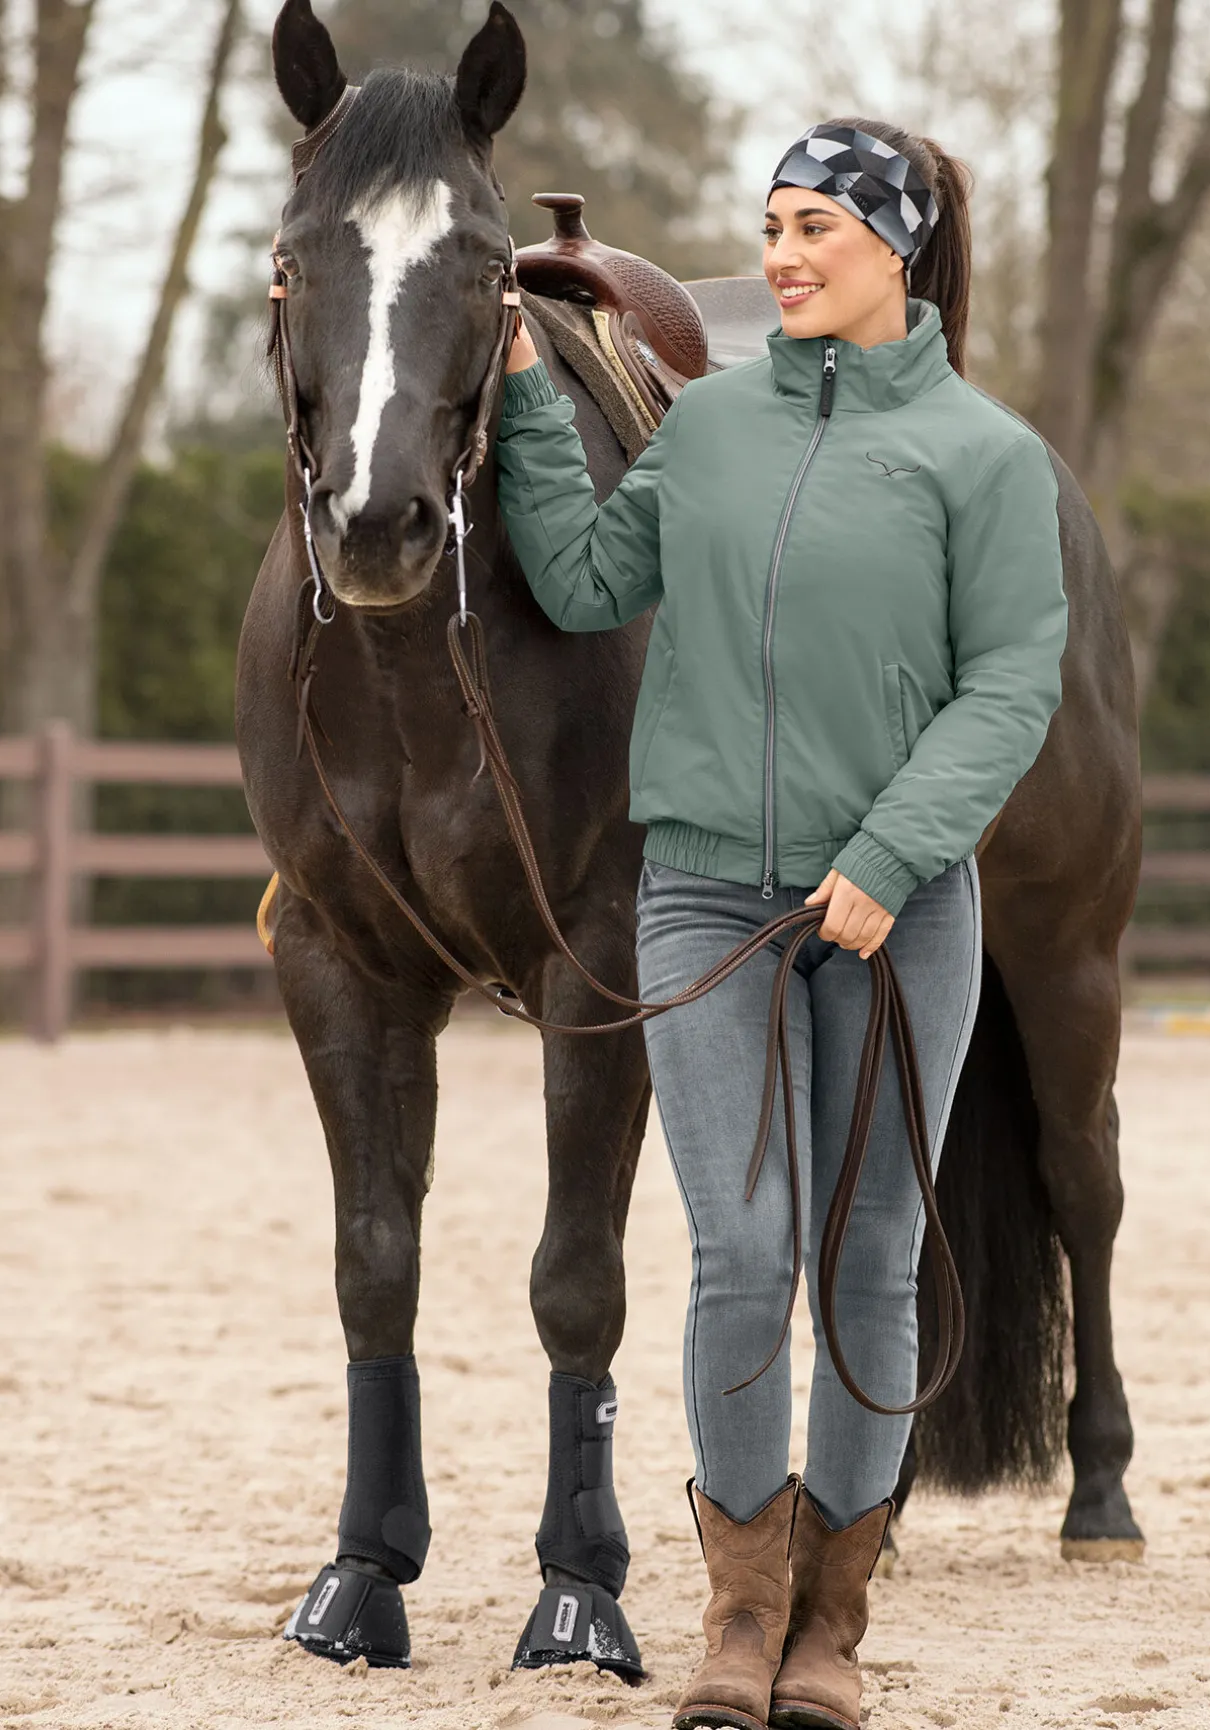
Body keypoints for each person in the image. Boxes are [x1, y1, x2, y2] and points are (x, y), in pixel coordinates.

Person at [493, 118, 1068, 1730]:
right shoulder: (708, 427)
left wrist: (889, 855)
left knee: (868, 1258)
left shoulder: (983, 455)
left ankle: (830, 1628)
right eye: (771, 226)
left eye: (815, 225)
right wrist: (528, 393)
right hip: (701, 895)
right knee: (739, 1252)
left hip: (899, 912)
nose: (782, 256)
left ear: (897, 244)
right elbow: (587, 580)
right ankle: (740, 1617)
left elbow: (1008, 683)